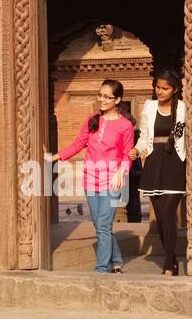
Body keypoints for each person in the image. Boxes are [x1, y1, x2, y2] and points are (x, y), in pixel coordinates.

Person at [46, 80, 134, 274]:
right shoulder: (92, 119)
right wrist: (54, 157)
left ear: (117, 99)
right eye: (100, 95)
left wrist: (121, 171)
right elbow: (79, 143)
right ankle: (117, 259)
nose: (102, 99)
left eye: (107, 96)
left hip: (112, 181)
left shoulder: (125, 126)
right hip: (90, 181)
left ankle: (101, 269)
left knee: (102, 226)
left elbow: (128, 153)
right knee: (100, 226)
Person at [129, 68, 186, 275]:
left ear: (174, 89)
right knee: (161, 217)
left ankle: (168, 264)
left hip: (175, 163)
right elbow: (145, 136)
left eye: (165, 88)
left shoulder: (183, 108)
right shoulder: (149, 106)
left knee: (168, 214)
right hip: (154, 162)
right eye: (158, 87)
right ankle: (171, 259)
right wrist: (137, 149)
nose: (160, 91)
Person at [118, 100, 143, 223]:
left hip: (131, 165)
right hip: (127, 165)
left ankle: (133, 220)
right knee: (129, 199)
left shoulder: (124, 119)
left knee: (131, 199)